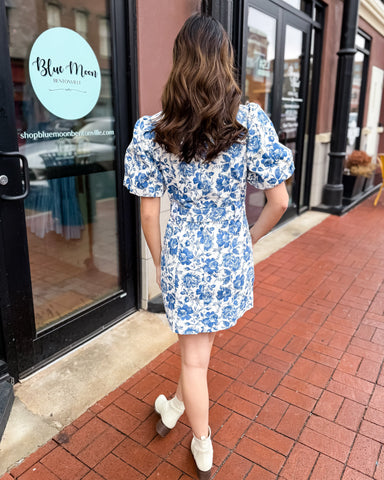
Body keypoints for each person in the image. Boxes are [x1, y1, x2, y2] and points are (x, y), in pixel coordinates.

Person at [124, 13, 294, 480]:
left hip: (182, 254)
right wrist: (249, 239)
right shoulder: (248, 122)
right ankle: (177, 406)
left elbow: (148, 213)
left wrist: (161, 263)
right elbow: (279, 200)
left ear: (179, 62)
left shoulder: (156, 129)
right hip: (228, 256)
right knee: (200, 348)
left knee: (194, 355)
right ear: (225, 62)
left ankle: (202, 444)